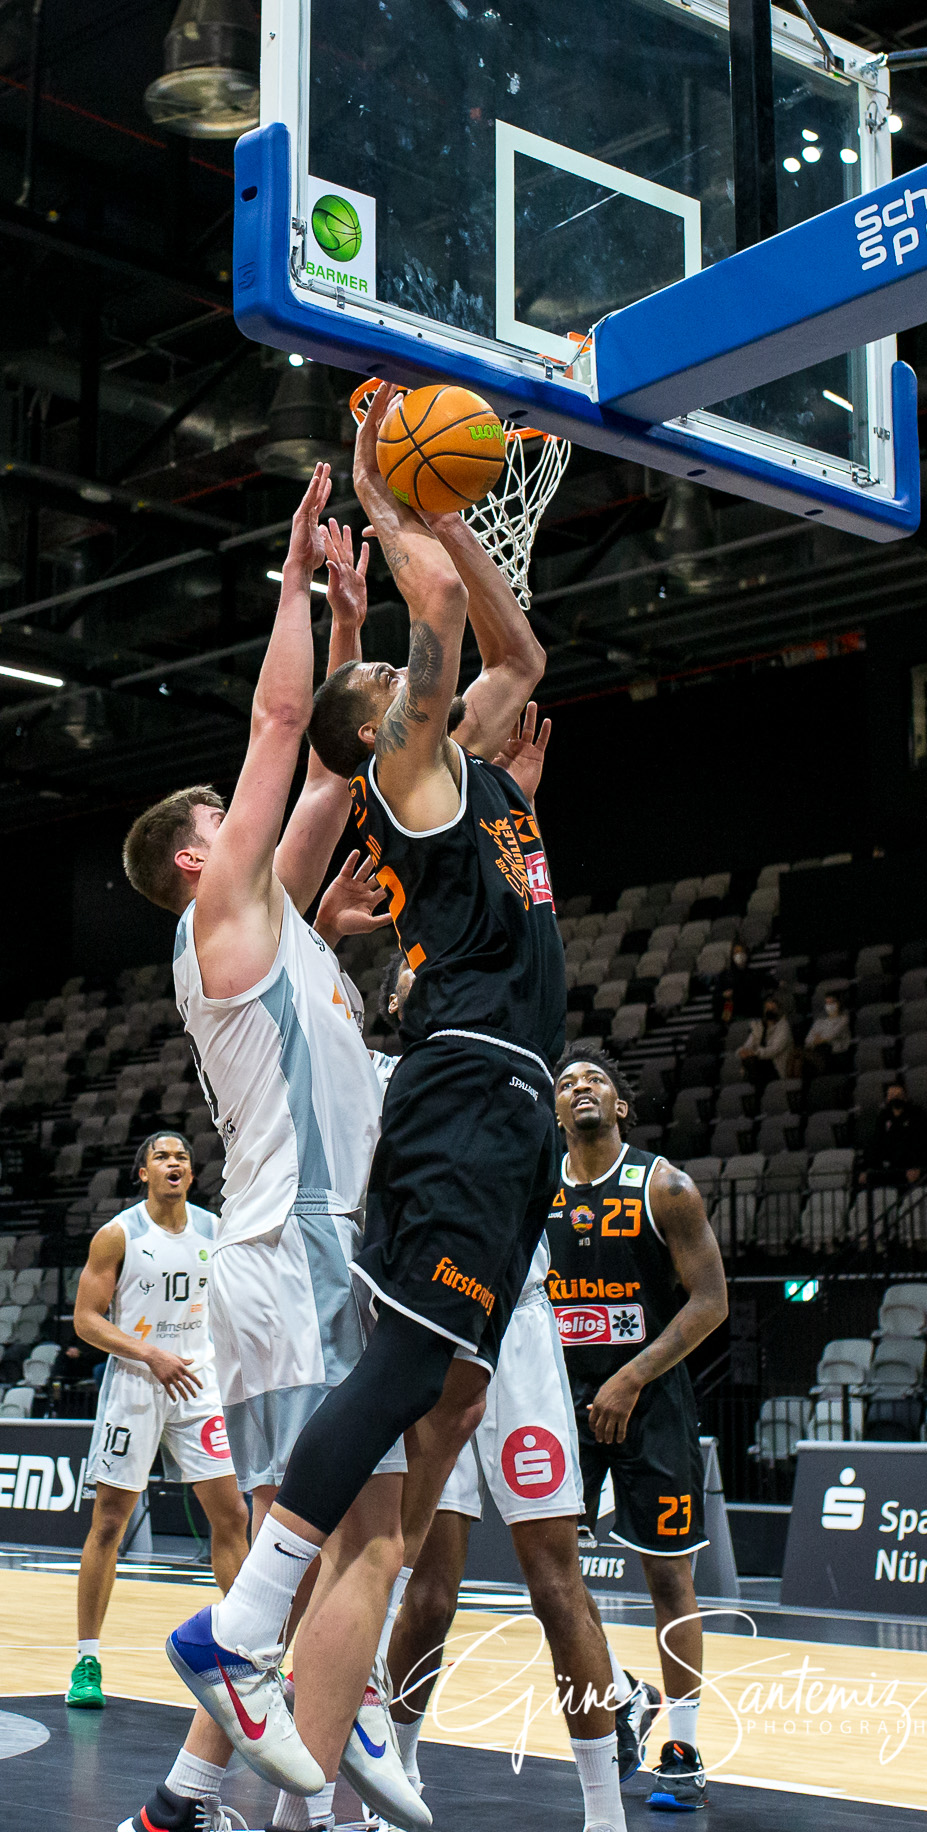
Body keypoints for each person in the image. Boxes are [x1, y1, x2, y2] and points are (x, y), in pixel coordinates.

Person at [177, 384, 594, 1823]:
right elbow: (444, 630)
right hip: (464, 1081)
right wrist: (394, 495)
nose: (423, 684)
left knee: (451, 1393)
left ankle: (325, 1682)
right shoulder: (411, 766)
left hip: (512, 1104)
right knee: (411, 1371)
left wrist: (462, 523)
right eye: (399, 686)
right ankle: (246, 1631)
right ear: (384, 727)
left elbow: (520, 650)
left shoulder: (469, 763)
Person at [119, 460, 423, 1832]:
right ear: (196, 860)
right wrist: (295, 574)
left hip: (291, 1249)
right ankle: (313, 1791)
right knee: (363, 1535)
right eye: (216, 817)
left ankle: (184, 1802)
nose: (234, 818)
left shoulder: (275, 918)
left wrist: (352, 625)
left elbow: (332, 779)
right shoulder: (223, 914)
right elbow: (287, 722)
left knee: (312, 1554)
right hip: (297, 1246)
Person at [372, 742, 658, 1823]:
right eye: (405, 973)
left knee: (554, 1581)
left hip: (519, 1324)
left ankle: (602, 1807)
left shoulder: (513, 1053)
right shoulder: (394, 1072)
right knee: (427, 1586)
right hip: (434, 1322)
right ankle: (396, 1770)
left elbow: (497, 898)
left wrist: (513, 808)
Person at [547, 1046, 730, 1809]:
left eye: (595, 1080)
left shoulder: (665, 1186)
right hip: (562, 1401)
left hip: (650, 1399)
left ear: (620, 1106)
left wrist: (629, 1377)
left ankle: (682, 1747)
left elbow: (710, 1301)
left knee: (666, 1575)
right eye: (566, 1083)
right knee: (553, 1575)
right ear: (555, 1111)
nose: (580, 1088)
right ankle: (623, 1695)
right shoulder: (536, 1190)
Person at [67, 1131, 248, 1711]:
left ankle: (249, 1654)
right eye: (162, 1156)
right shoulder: (118, 1234)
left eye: (182, 1158)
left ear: (191, 1174)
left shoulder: (217, 1230)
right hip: (137, 1384)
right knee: (109, 1522)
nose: (174, 1163)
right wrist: (149, 1353)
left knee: (232, 1515)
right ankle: (87, 1660)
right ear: (143, 1172)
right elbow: (86, 1319)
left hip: (199, 1384)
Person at [858, 1081, 927, 1189]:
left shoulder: (917, 1114)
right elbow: (876, 1142)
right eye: (892, 1096)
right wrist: (866, 1169)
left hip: (908, 1165)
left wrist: (917, 1167)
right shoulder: (883, 1116)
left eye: (899, 1095)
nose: (895, 1098)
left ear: (905, 1097)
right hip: (887, 1165)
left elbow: (922, 1142)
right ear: (886, 1099)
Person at [737, 995, 793, 1089]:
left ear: (778, 1011)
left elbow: (774, 1050)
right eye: (767, 1009)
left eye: (773, 1009)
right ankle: (756, 1089)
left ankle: (757, 1091)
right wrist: (743, 1051)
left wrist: (755, 1053)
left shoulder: (784, 1027)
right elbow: (748, 1044)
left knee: (752, 1061)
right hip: (758, 1065)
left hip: (775, 1067)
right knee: (749, 1060)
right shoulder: (758, 1027)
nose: (769, 1011)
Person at [711, 943, 762, 1026]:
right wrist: (724, 995)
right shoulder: (724, 976)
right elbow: (716, 996)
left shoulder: (754, 974)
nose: (739, 954)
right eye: (736, 952)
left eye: (741, 952)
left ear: (746, 954)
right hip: (730, 1011)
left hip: (749, 1012)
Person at [803, 990, 851, 1073]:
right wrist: (819, 1040)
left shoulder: (844, 1019)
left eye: (832, 1002)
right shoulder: (820, 1021)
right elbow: (808, 1040)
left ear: (839, 1003)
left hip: (837, 1054)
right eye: (827, 1003)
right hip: (820, 1054)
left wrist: (820, 1038)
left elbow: (831, 1035)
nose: (829, 1006)